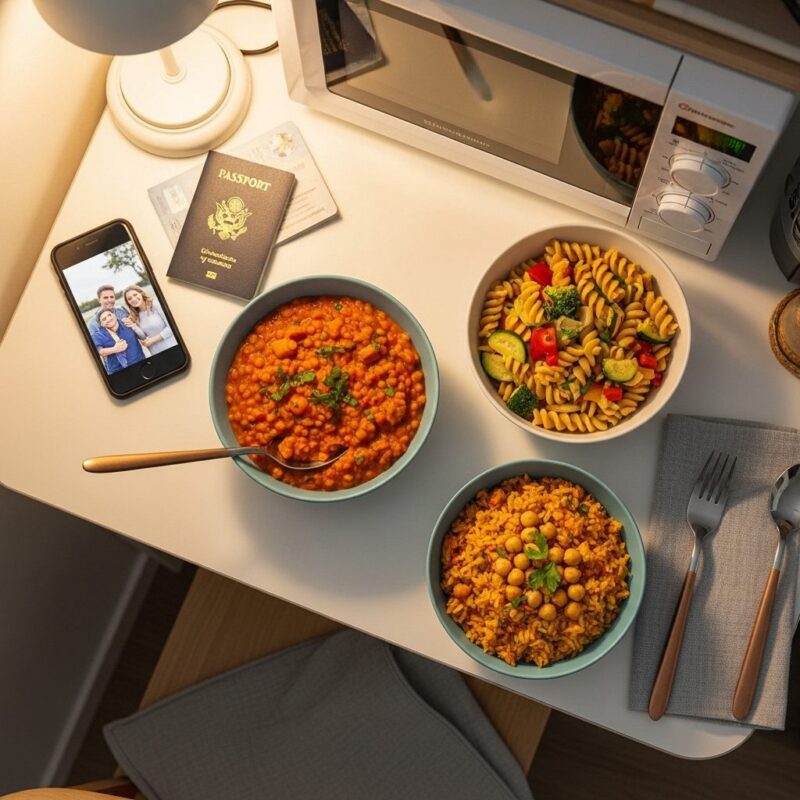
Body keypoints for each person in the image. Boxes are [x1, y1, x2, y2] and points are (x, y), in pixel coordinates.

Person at [122, 285, 175, 355]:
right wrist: (134, 326)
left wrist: (152, 340)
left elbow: (172, 327)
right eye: (129, 298)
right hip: (155, 352)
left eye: (135, 295)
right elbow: (143, 337)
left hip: (171, 346)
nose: (133, 299)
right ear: (128, 302)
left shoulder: (155, 304)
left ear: (141, 293)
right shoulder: (134, 316)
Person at [91, 308, 145, 374]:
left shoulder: (126, 323)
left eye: (109, 315)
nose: (108, 319)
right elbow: (100, 352)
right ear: (101, 324)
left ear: (114, 315)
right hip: (118, 372)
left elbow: (143, 337)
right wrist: (115, 349)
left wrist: (134, 326)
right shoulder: (97, 336)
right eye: (104, 319)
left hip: (140, 364)